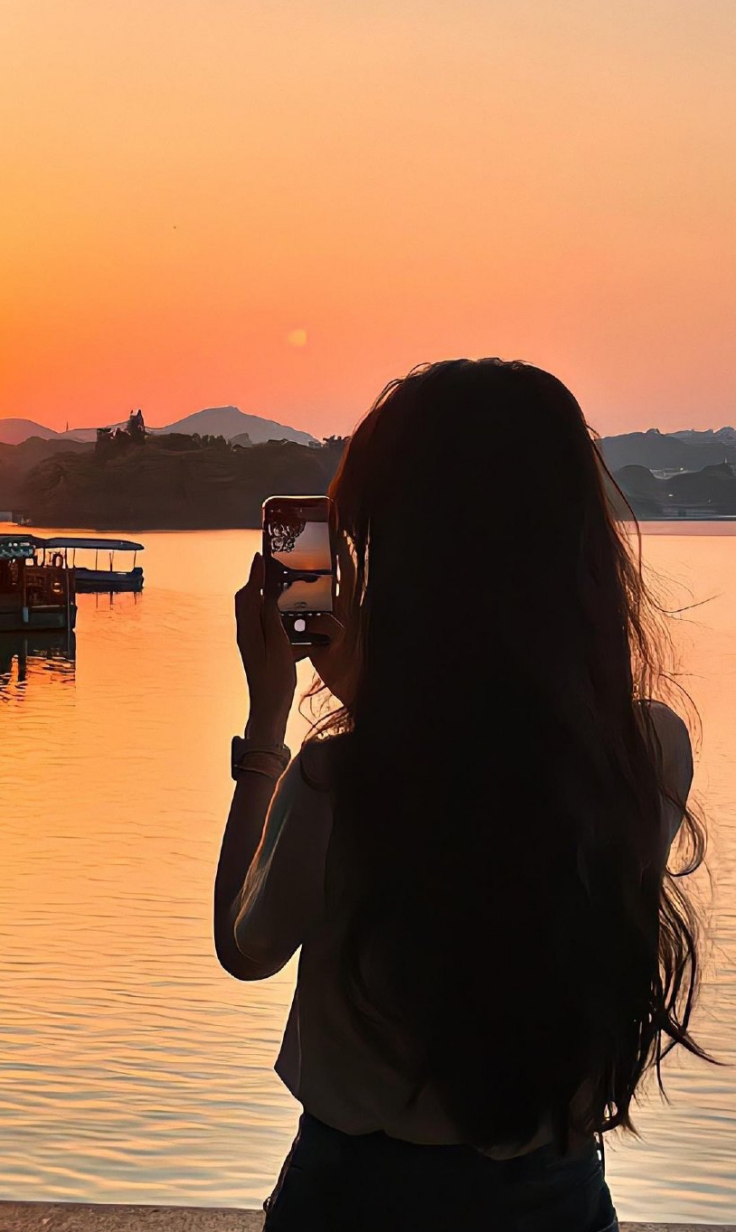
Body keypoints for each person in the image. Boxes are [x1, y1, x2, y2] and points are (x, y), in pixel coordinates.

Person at [213, 359, 707, 1231]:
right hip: (553, 1198)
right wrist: (377, 698)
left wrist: (268, 721)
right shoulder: (644, 753)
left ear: (400, 559)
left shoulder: (337, 778)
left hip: (355, 1198)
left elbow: (246, 946)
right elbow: (494, 806)